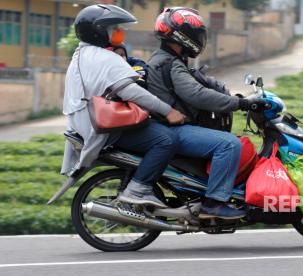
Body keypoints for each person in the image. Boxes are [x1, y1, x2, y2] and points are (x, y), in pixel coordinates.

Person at [147, 7, 269, 219]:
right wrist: (239, 103)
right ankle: (213, 203)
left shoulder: (165, 60)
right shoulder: (169, 63)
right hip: (174, 129)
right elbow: (198, 95)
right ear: (180, 35)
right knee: (229, 144)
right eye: (195, 34)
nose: (198, 39)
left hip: (169, 127)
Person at [61, 4, 186, 208]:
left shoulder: (82, 55)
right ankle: (138, 189)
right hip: (104, 129)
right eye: (114, 28)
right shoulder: (105, 58)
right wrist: (169, 111)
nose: (119, 32)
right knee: (166, 139)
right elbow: (131, 91)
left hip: (86, 124)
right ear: (99, 30)